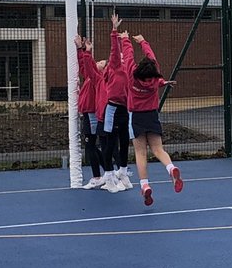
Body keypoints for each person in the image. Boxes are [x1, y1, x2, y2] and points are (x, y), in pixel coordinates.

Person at [120, 31, 183, 206]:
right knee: (158, 149)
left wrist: (125, 39)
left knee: (140, 153)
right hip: (152, 114)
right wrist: (143, 41)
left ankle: (145, 185)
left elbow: (128, 55)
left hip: (136, 116)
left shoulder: (132, 75)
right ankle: (170, 168)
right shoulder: (156, 80)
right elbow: (152, 57)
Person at [99, 12, 132, 192]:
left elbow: (127, 54)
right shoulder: (115, 67)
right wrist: (114, 31)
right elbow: (114, 51)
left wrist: (125, 39)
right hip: (111, 109)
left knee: (125, 141)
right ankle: (109, 177)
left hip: (125, 110)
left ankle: (124, 174)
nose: (120, 57)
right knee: (110, 143)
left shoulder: (126, 68)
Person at [74, 35, 107, 189]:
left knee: (90, 145)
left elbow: (87, 64)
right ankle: (107, 172)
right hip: (88, 112)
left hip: (92, 113)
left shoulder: (97, 77)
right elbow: (83, 65)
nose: (99, 62)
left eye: (101, 62)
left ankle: (98, 176)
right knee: (91, 145)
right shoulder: (90, 76)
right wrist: (80, 49)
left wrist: (86, 51)